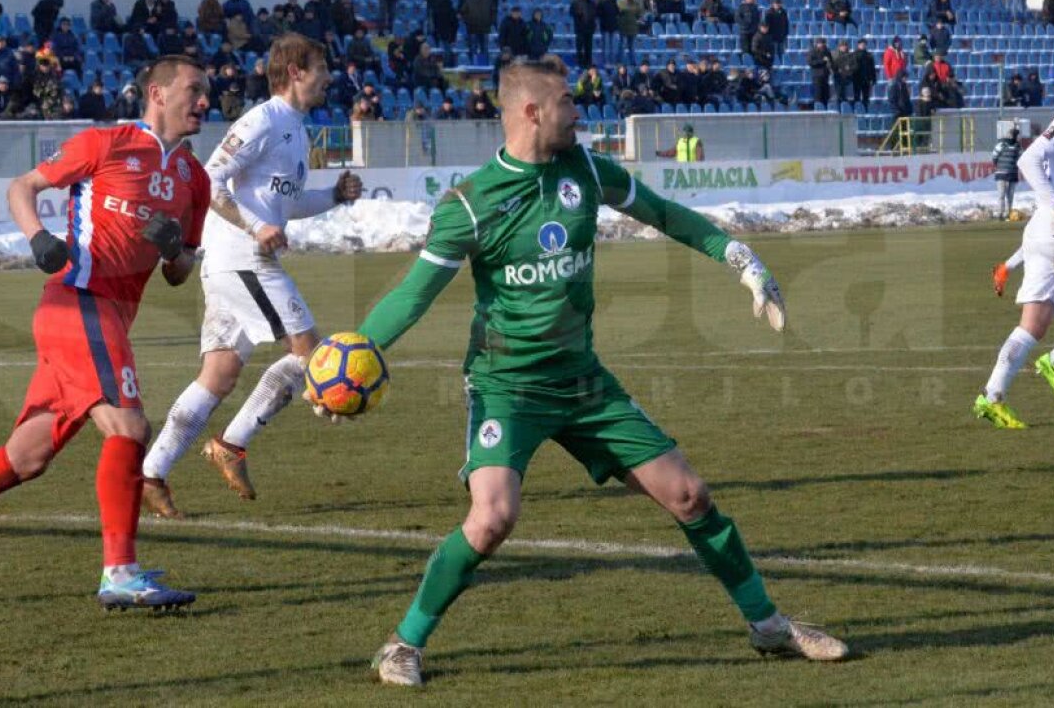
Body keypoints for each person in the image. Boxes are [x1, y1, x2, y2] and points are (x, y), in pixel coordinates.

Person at [348, 55, 848, 686]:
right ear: (532, 112)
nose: (579, 111)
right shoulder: (469, 205)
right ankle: (403, 645)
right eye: (566, 102)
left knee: (691, 496)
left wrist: (737, 255)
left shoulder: (583, 168)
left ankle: (768, 626)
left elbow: (664, 213)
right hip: (508, 387)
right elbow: (415, 293)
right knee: (494, 517)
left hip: (584, 383)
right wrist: (355, 351)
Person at [0, 56, 213, 607]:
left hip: (107, 318)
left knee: (22, 459)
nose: (204, 101)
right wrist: (37, 238)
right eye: (194, 90)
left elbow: (179, 272)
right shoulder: (108, 143)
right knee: (127, 424)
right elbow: (23, 187)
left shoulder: (196, 178)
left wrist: (175, 249)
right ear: (156, 92)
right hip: (76, 301)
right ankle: (119, 573)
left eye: (206, 92)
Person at [139, 36, 362, 517]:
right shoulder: (263, 120)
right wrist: (256, 226)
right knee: (313, 356)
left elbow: (284, 205)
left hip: (235, 261)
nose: (329, 76)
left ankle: (151, 474)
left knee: (217, 376)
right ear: (297, 71)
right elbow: (209, 178)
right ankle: (233, 444)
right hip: (243, 260)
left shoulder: (298, 130)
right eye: (322, 67)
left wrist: (333, 197)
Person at [972, 116, 1054, 428]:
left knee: (1031, 328)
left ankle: (992, 395)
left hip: (1044, 233)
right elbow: (1027, 159)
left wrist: (1009, 265)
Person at [992, 127, 1023, 221]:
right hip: (1002, 173)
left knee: (1010, 195)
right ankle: (1000, 214)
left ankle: (1008, 213)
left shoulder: (1018, 146)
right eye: (1015, 135)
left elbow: (1021, 158)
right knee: (1001, 194)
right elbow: (994, 156)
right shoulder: (1001, 144)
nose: (1016, 137)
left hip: (1012, 174)